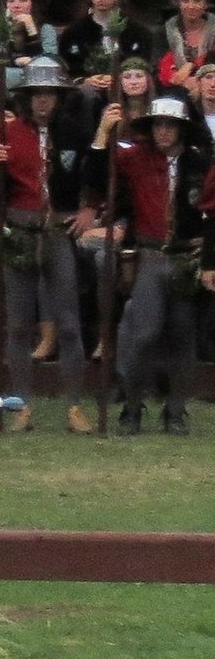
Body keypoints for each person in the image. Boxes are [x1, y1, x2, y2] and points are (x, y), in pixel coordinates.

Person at [0, 58, 96, 434]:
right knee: (18, 325)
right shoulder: (5, 132)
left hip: (57, 232)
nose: (43, 101)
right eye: (36, 95)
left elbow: (96, 173)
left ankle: (75, 407)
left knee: (68, 323)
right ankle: (21, 406)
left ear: (58, 96)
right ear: (27, 98)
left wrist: (90, 209)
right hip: (19, 229)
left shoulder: (76, 132)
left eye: (49, 94)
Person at [96, 94, 204, 435]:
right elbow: (100, 173)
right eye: (158, 123)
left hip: (189, 258)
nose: (163, 131)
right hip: (151, 256)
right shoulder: (136, 157)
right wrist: (102, 135)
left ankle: (176, 411)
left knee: (184, 335)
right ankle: (132, 405)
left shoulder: (201, 163)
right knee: (144, 333)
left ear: (181, 129)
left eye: (170, 124)